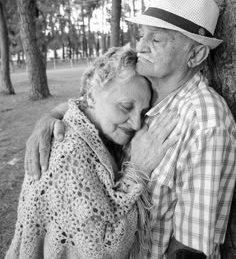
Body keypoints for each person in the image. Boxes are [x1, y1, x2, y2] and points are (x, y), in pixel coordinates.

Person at [24, 0, 236, 259]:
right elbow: (95, 101)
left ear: (195, 54)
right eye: (141, 35)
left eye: (156, 39)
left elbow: (189, 251)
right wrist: (51, 116)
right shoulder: (145, 85)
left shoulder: (206, 122)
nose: (141, 46)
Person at [6, 47, 178, 259]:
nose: (136, 123)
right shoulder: (70, 152)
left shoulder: (90, 129)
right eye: (126, 107)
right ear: (91, 95)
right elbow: (103, 250)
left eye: (142, 112)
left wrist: (54, 112)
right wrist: (137, 170)